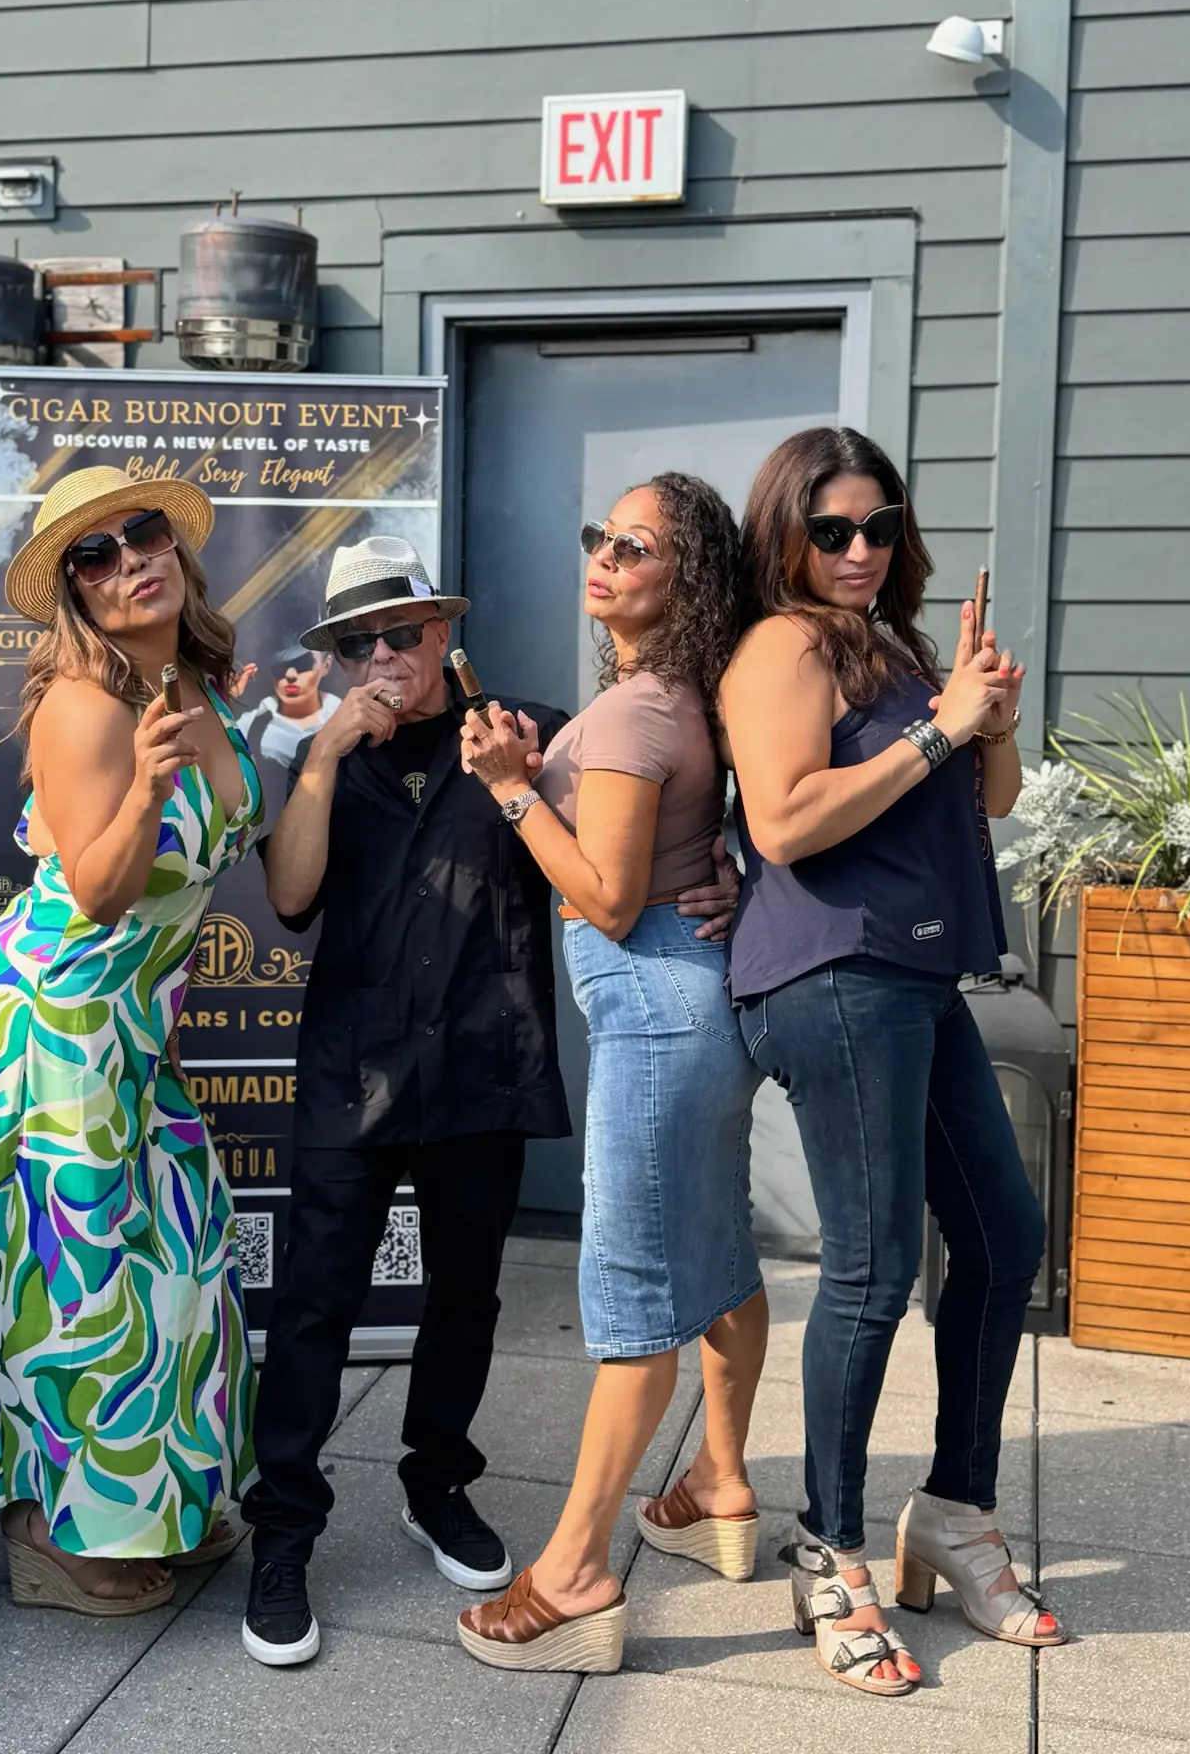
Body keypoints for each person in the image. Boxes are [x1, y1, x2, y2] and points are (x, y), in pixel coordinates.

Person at [237, 535, 740, 1668]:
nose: (382, 658)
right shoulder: (326, 755)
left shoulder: (528, 734)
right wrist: (320, 761)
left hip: (481, 1064)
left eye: (400, 634)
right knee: (313, 1303)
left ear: (440, 632)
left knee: (464, 1298)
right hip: (355, 1070)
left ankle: (438, 1484)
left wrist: (724, 877)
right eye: (357, 644)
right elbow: (292, 894)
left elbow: (637, 833)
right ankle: (285, 1532)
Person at [719, 426, 1062, 1699]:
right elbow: (783, 819)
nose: (859, 549)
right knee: (868, 1273)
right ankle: (829, 1547)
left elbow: (994, 801)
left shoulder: (897, 648)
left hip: (914, 973)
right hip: (833, 971)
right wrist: (937, 730)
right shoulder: (783, 645)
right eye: (832, 530)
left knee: (1006, 1237)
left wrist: (988, 721)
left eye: (878, 525)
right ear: (786, 537)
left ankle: (955, 1513)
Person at [0, 464, 263, 1616]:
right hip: (54, 1016)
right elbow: (103, 892)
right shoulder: (84, 703)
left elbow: (215, 864)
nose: (128, 561)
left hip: (131, 1021)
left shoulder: (192, 684)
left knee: (183, 1253)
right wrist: (151, 787)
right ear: (75, 591)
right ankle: (55, 1531)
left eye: (142, 532)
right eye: (93, 555)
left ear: (177, 546)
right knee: (85, 1279)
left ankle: (151, 1498)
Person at [454, 478, 768, 1676]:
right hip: (698, 1005)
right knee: (719, 1251)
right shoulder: (677, 696)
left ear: (686, 578)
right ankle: (719, 1483)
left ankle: (575, 1575)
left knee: (633, 1298)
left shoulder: (640, 708)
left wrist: (510, 787)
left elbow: (607, 895)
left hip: (652, 1011)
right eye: (601, 535)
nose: (606, 555)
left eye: (636, 546)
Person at [236, 641, 341, 775]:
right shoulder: (249, 725)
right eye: (280, 665)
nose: (290, 675)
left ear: (326, 665)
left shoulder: (345, 716)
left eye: (304, 663)